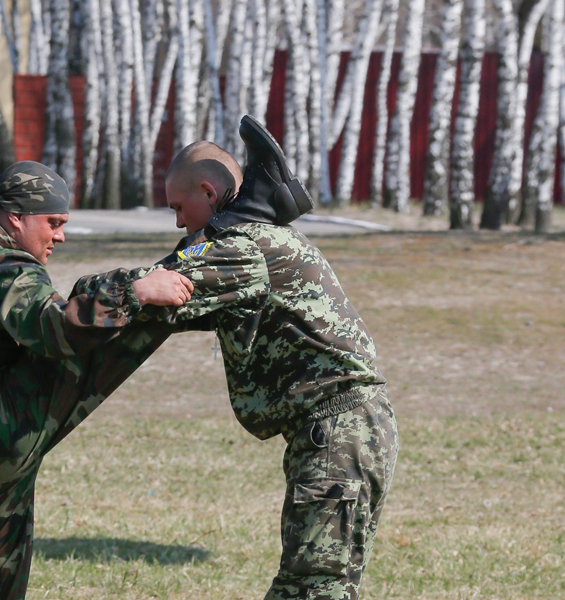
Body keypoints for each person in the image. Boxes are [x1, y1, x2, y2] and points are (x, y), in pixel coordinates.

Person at [0, 161, 193, 600]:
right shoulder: (0, 264)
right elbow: (53, 327)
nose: (60, 236)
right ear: (16, 218)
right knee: (98, 329)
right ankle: (201, 262)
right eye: (53, 223)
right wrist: (135, 292)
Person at [147, 116, 398, 600]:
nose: (178, 221)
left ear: (208, 191)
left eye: (180, 207)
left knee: (310, 588)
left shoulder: (244, 248)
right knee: (324, 585)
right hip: (344, 431)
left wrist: (83, 297)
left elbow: (159, 287)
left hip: (337, 434)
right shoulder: (260, 242)